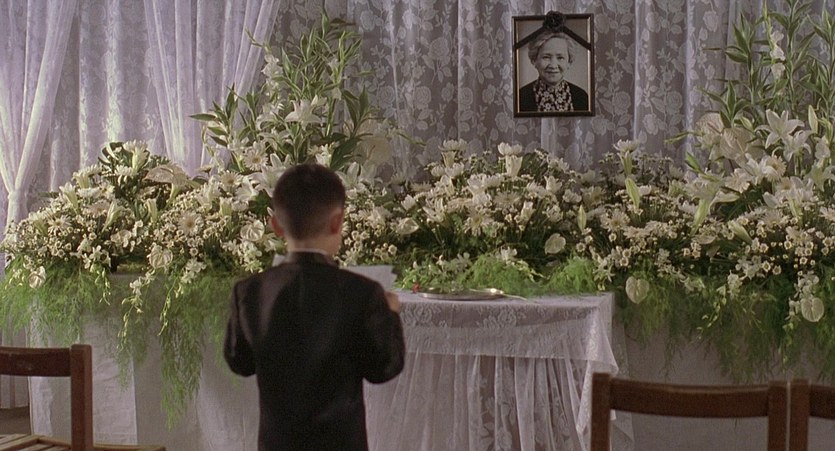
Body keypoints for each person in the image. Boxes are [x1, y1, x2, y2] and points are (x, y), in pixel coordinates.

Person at [223, 163, 405, 451]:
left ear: (276, 225)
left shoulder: (249, 292)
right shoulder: (362, 292)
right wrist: (391, 313)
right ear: (337, 222)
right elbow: (383, 368)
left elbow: (240, 362)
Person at [518, 31, 589, 112]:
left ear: (569, 62)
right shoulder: (520, 97)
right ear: (534, 60)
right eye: (546, 57)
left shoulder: (581, 96)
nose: (553, 65)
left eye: (560, 58)